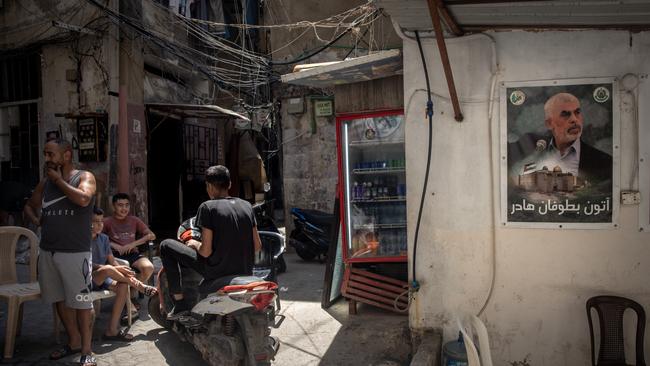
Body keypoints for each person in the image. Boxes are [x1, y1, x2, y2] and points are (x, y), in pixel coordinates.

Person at [23, 139, 97, 366]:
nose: (47, 159)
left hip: (75, 252)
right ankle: (73, 342)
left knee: (82, 302)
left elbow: (84, 199)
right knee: (58, 299)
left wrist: (58, 181)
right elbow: (29, 205)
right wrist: (37, 220)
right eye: (45, 154)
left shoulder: (84, 177)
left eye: (51, 154)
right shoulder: (45, 184)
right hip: (48, 252)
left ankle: (87, 351)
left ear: (66, 155)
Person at [159, 165, 261, 318]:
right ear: (230, 184)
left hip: (216, 271)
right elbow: (257, 246)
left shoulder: (207, 207)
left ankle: (179, 303)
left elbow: (205, 251)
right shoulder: (246, 206)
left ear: (210, 187)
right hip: (245, 269)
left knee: (166, 245)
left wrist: (194, 244)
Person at [508, 92, 613, 184]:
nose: (574, 119)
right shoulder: (530, 145)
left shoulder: (603, 161)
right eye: (565, 114)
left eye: (577, 112)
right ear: (549, 123)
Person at [90, 207, 158, 341]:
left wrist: (120, 268)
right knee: (107, 269)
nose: (99, 225)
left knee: (122, 285)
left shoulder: (103, 238)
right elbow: (87, 264)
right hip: (88, 277)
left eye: (101, 222)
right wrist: (112, 268)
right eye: (95, 221)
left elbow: (112, 261)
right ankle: (139, 286)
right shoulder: (81, 239)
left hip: (105, 277)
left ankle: (112, 330)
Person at [102, 193, 156, 292]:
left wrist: (132, 244)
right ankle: (126, 298)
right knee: (126, 272)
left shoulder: (134, 220)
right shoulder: (107, 221)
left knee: (148, 267)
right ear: (113, 206)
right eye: (120, 205)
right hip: (114, 256)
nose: (124, 208)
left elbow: (151, 235)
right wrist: (114, 245)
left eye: (127, 205)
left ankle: (130, 295)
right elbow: (96, 237)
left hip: (132, 254)